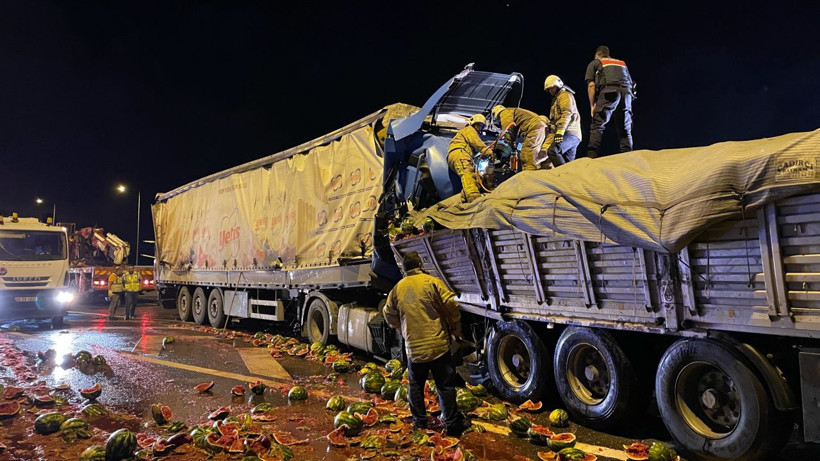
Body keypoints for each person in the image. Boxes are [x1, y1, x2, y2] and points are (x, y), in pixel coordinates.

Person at [382, 251, 471, 437]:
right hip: (437, 345)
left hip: (414, 349)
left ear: (404, 269)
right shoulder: (431, 282)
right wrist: (455, 326)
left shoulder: (398, 288)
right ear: (420, 264)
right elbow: (451, 304)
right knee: (445, 385)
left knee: (415, 386)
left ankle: (420, 424)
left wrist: (401, 327)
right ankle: (452, 424)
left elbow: (388, 313)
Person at [584, 45, 634, 157]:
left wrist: (592, 106)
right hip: (626, 93)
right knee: (625, 127)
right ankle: (628, 156)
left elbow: (591, 86)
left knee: (598, 124)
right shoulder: (622, 63)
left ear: (597, 55)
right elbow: (631, 83)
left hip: (609, 91)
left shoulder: (596, 63)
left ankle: (591, 155)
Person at [447, 114, 490, 203]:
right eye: (478, 124)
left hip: (458, 155)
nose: (479, 127)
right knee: (468, 175)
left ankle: (464, 200)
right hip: (460, 154)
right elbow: (478, 144)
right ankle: (474, 202)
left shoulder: (467, 133)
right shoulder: (469, 130)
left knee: (474, 178)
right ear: (473, 123)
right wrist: (490, 153)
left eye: (481, 126)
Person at [491, 105, 548, 171]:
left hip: (534, 128)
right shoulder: (514, 112)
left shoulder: (505, 112)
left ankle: (529, 176)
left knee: (527, 153)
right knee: (535, 155)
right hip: (540, 127)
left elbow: (508, 129)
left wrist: (510, 144)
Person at [543, 75, 582, 166]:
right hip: (574, 135)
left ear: (557, 86)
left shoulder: (564, 95)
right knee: (568, 164)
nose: (550, 91)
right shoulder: (557, 98)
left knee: (553, 151)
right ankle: (569, 178)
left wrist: (560, 131)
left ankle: (563, 176)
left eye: (552, 88)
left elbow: (566, 113)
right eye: (549, 89)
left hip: (569, 133)